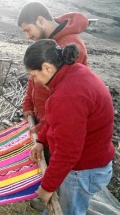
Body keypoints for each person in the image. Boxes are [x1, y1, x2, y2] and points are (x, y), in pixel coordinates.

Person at [25, 39, 115, 215]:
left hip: (83, 172)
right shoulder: (74, 73)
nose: (34, 81)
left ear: (47, 68)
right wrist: (41, 140)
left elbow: (68, 152)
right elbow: (56, 117)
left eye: (34, 75)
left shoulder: (68, 95)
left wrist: (47, 187)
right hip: (89, 163)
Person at [17, 1, 89, 133]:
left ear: (40, 20)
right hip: (43, 121)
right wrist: (28, 104)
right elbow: (34, 75)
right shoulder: (46, 43)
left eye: (28, 30)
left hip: (55, 126)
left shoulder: (69, 46)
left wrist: (43, 128)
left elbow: (66, 100)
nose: (27, 36)